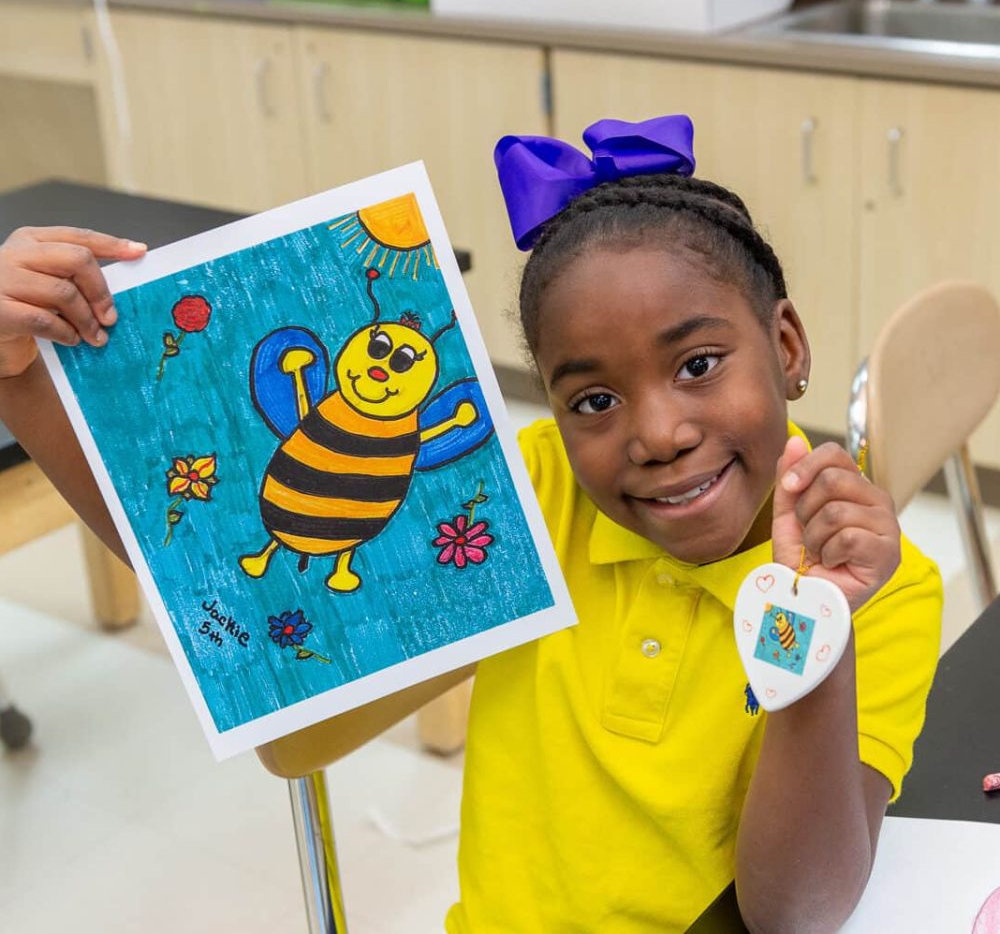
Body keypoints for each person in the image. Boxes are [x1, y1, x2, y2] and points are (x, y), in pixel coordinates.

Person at [0, 115, 942, 933]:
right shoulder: (526, 498)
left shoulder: (884, 588)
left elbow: (798, 911)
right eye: (595, 400)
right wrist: (21, 383)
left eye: (697, 364)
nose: (657, 434)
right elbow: (230, 597)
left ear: (785, 345)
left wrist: (816, 624)